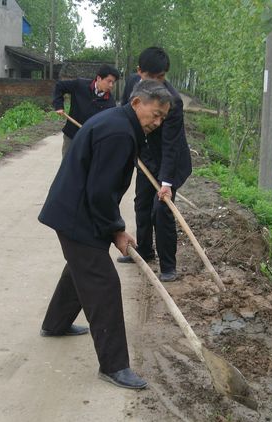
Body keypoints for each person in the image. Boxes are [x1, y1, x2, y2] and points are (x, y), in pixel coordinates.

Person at [38, 80, 173, 390]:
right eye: (155, 114)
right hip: (76, 213)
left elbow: (101, 189)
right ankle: (114, 365)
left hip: (75, 208)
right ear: (137, 103)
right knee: (103, 282)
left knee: (82, 267)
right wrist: (116, 231)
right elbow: (101, 192)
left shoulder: (119, 123)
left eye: (163, 118)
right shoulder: (119, 133)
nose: (157, 122)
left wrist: (113, 228)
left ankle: (55, 324)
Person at [116, 47, 192, 282]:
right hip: (145, 157)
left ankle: (168, 266)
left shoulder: (173, 101)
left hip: (171, 162)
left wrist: (166, 183)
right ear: (140, 72)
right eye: (153, 77)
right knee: (141, 203)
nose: (158, 83)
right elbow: (126, 116)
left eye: (162, 77)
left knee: (161, 210)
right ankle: (145, 250)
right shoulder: (132, 85)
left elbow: (171, 145)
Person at [52, 64, 120, 157]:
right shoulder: (80, 85)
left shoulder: (110, 103)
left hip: (90, 141)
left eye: (113, 82)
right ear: (99, 78)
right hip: (71, 135)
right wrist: (59, 106)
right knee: (67, 163)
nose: (111, 85)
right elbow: (60, 86)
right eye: (109, 81)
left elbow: (107, 126)